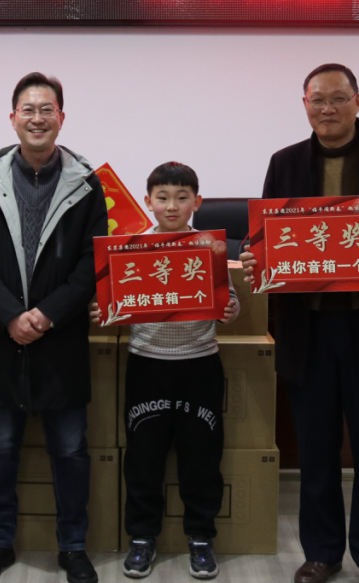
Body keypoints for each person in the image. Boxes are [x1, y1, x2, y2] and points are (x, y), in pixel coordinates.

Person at [241, 64, 359, 583]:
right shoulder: (284, 162)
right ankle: (322, 552)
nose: (327, 109)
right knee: (316, 452)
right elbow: (267, 233)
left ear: (358, 101)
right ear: (304, 104)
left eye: (338, 98)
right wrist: (257, 254)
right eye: (317, 100)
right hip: (308, 332)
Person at [0, 73, 109, 583]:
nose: (38, 118)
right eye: (28, 109)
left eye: (47, 110)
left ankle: (73, 547)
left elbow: (92, 262)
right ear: (13, 118)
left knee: (70, 450)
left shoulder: (86, 185)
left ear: (61, 118)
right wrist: (10, 314)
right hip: (1, 338)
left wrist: (47, 314)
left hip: (61, 338)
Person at [88, 162, 254, 580]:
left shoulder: (210, 249)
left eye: (182, 197)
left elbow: (230, 305)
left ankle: (201, 537)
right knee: (143, 459)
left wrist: (230, 310)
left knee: (202, 458)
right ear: (148, 202)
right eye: (163, 197)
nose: (172, 206)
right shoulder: (130, 250)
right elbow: (114, 305)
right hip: (147, 365)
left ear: (197, 202)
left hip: (200, 365)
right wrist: (103, 310)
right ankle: (142, 537)